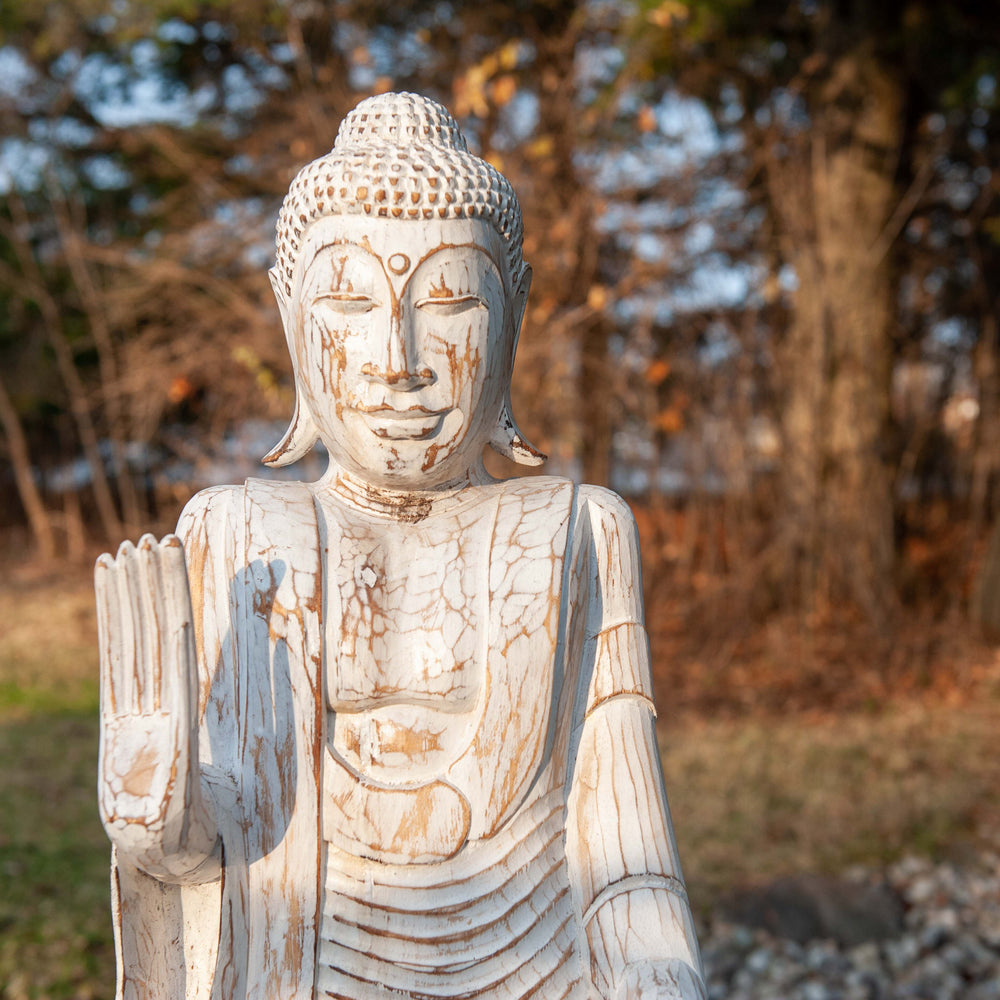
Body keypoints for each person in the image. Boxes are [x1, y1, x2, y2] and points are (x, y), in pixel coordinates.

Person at [96, 92, 706, 1000]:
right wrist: (157, 815)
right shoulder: (235, 536)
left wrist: (662, 980)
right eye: (347, 300)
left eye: (452, 297)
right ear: (289, 315)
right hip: (292, 970)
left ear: (515, 313)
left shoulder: (581, 532)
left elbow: (626, 854)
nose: (398, 355)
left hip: (542, 969)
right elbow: (208, 854)